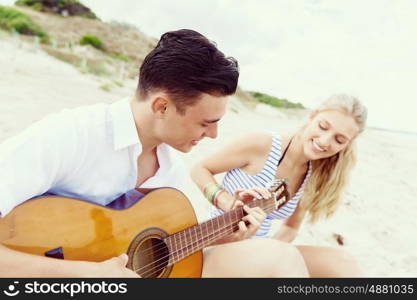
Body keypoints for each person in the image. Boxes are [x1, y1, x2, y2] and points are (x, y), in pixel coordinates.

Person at [0, 29, 309, 277]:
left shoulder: (169, 172)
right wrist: (83, 274)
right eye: (206, 123)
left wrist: (227, 231)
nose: (214, 135)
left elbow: (163, 252)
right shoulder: (70, 135)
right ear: (161, 106)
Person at [191, 94, 368, 277]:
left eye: (339, 140)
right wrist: (227, 202)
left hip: (256, 252)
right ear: (312, 116)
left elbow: (291, 228)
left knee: (343, 264)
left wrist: (270, 250)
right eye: (323, 126)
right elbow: (199, 169)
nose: (324, 141)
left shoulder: (312, 175)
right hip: (216, 245)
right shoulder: (262, 144)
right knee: (286, 258)